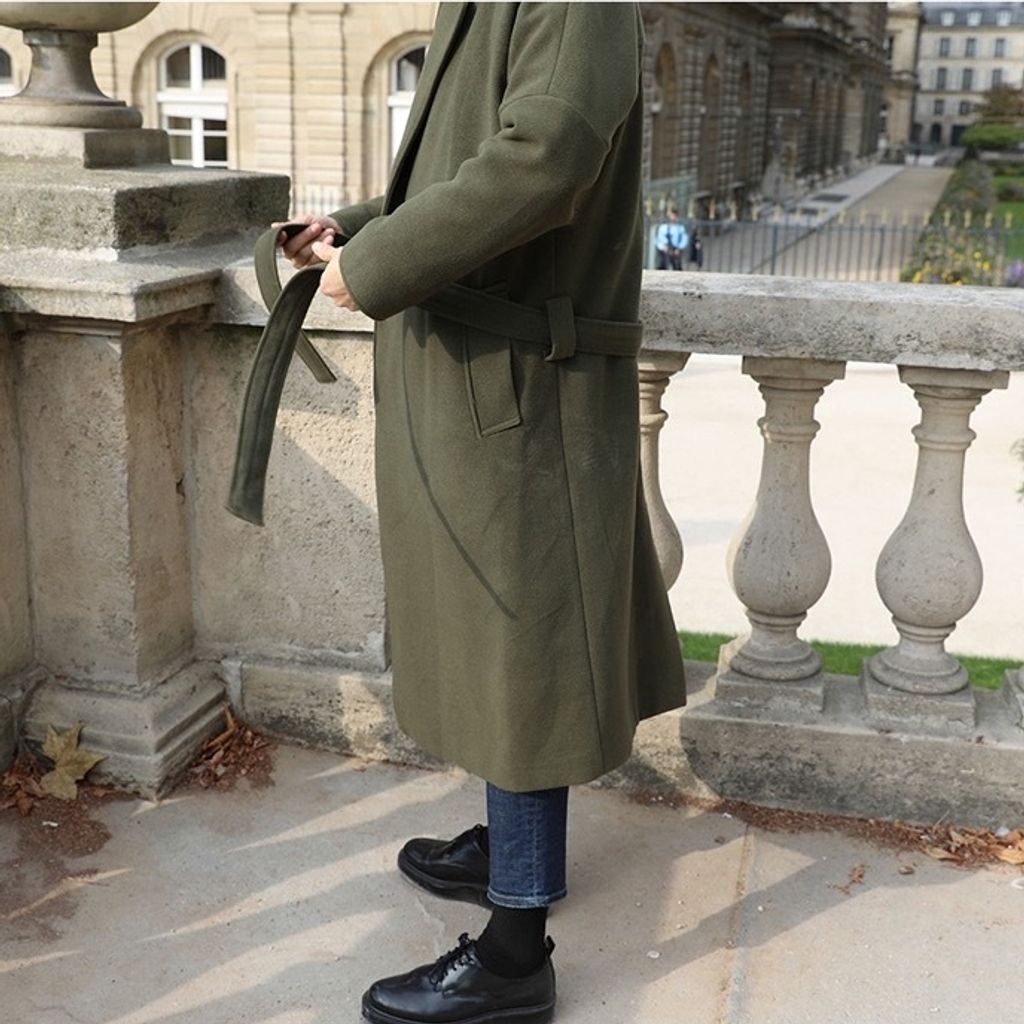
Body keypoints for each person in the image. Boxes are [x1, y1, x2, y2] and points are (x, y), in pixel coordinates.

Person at [277, 5, 685, 1023]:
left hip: (524, 390)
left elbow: (545, 160)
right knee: (494, 644)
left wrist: (376, 266)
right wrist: (361, 229)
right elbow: (465, 160)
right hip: (479, 380)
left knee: (525, 659)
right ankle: (513, 847)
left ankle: (513, 955)